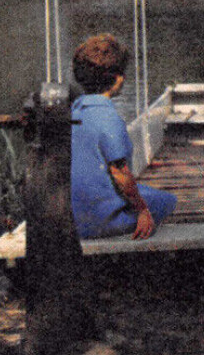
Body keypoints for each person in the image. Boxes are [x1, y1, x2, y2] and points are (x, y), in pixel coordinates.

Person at [69, 33, 177, 240]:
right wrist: (143, 210)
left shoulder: (75, 110)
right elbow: (120, 173)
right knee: (167, 201)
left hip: (72, 217)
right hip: (100, 221)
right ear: (118, 78)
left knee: (144, 192)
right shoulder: (108, 118)